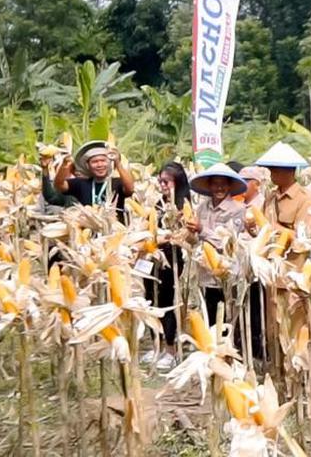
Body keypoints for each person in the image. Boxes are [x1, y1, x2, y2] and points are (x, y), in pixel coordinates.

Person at [256, 142, 311, 374]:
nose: (272, 174)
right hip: (270, 271)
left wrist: (274, 229)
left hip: (293, 273)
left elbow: (303, 237)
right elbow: (261, 229)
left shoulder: (305, 199)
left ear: (290, 171)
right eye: (270, 170)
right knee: (273, 326)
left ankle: (297, 375)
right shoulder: (270, 198)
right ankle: (278, 373)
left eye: (276, 170)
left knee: (294, 326)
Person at [186, 163, 249, 336]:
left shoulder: (238, 210)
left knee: (229, 317)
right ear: (209, 185)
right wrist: (188, 232)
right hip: (206, 272)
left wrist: (201, 230)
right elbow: (195, 241)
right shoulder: (201, 208)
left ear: (229, 186)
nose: (219, 188)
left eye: (223, 184)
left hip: (227, 272)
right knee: (211, 315)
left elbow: (228, 243)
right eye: (215, 183)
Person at [141, 161, 190, 371]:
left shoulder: (183, 204)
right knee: (150, 300)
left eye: (166, 182)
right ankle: (156, 345)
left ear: (177, 182)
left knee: (167, 302)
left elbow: (184, 232)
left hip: (172, 260)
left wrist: (168, 235)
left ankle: (170, 349)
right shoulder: (158, 203)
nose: (162, 185)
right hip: (152, 258)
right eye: (160, 181)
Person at [53, 140, 134, 219]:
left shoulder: (117, 182)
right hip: (87, 229)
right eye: (95, 162)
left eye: (103, 161)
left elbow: (130, 189)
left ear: (109, 163)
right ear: (88, 166)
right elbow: (59, 185)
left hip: (116, 229)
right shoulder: (81, 183)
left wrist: (118, 163)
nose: (99, 165)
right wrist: (64, 165)